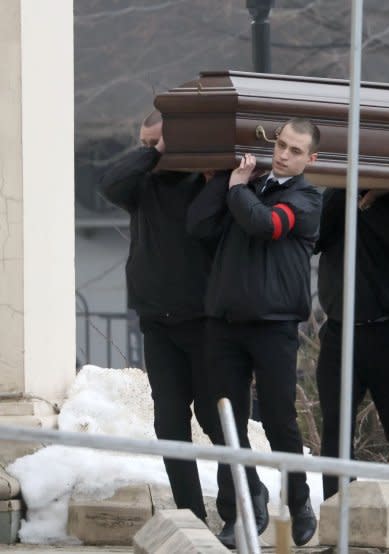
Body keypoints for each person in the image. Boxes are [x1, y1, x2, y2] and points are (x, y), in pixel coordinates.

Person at [186, 118, 322, 547]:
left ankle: (299, 498)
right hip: (225, 323)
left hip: (274, 326)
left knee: (280, 420)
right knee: (229, 421)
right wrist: (226, 180)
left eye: (295, 150)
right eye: (280, 145)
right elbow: (198, 226)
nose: (283, 154)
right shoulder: (246, 188)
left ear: (310, 159)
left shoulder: (307, 197)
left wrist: (236, 190)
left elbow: (267, 226)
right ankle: (245, 503)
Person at [99, 110, 215, 522]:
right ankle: (190, 514)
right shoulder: (141, 183)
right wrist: (153, 153)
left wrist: (175, 153)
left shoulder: (202, 180)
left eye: (156, 143)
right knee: (169, 423)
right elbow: (110, 182)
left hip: (201, 319)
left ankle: (244, 503)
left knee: (215, 419)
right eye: (143, 144)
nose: (148, 152)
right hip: (157, 318)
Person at [314, 187, 389, 499]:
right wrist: (347, 190)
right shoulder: (336, 194)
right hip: (340, 331)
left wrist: (370, 202)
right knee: (336, 433)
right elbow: (315, 238)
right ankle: (338, 520)